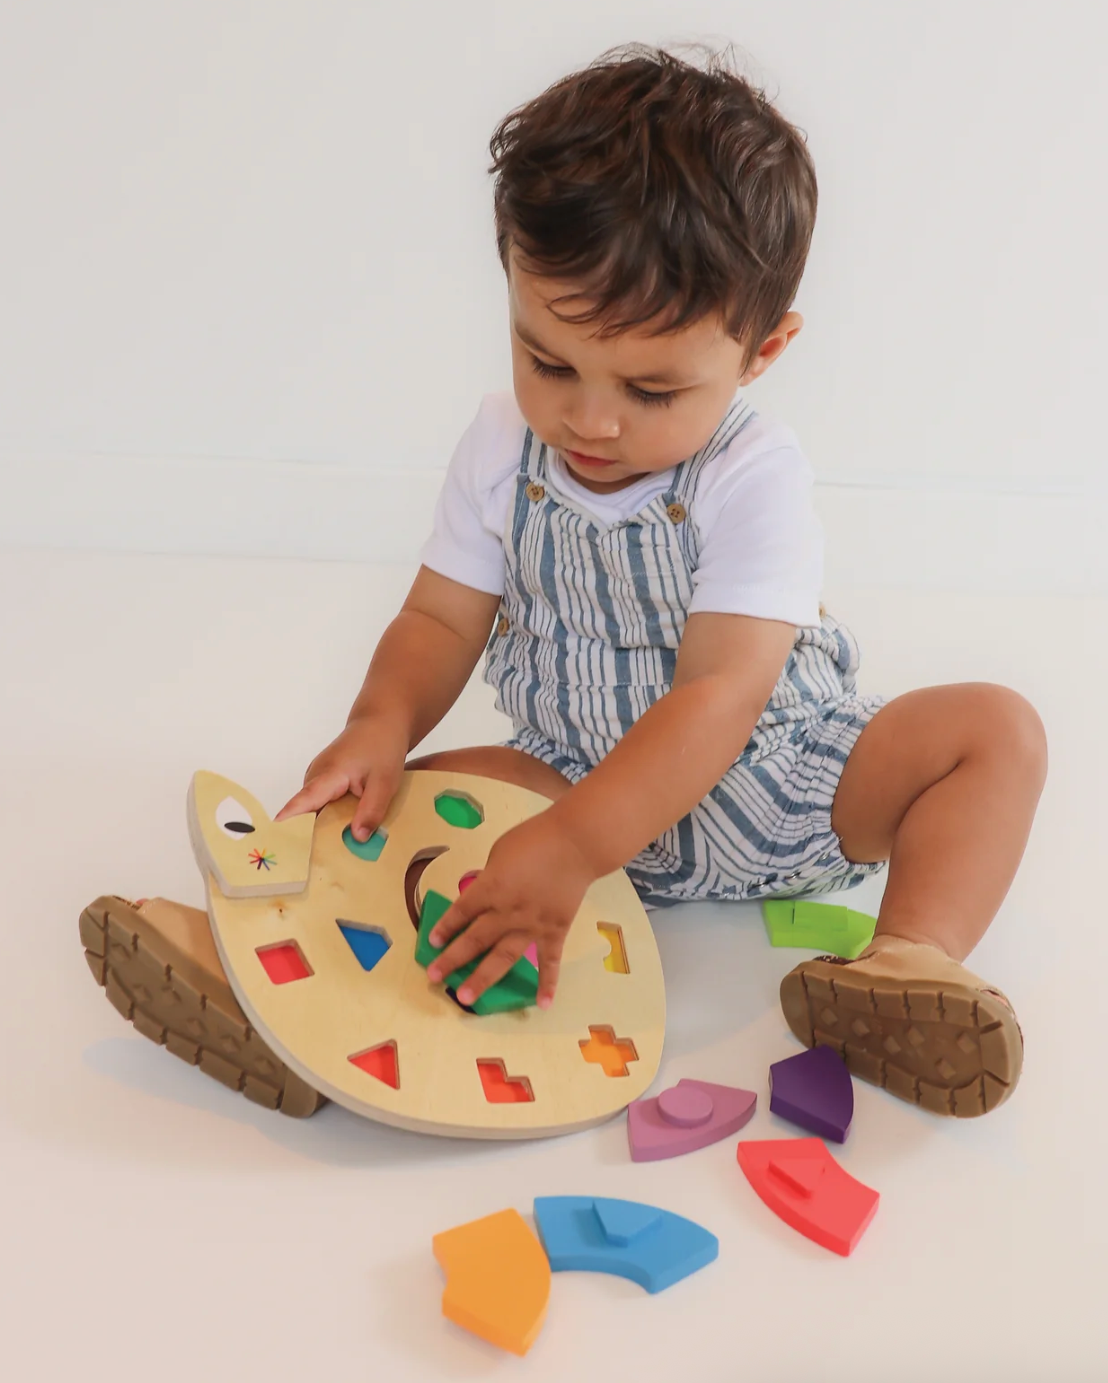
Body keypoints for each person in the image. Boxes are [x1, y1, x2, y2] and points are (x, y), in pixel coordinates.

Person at [81, 42, 1046, 1120]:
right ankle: (262, 981)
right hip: (568, 772)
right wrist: (381, 722)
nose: (589, 420)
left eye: (648, 388)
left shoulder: (752, 475)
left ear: (762, 351)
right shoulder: (502, 445)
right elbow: (440, 615)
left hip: (777, 782)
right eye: (548, 362)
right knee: (374, 813)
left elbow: (718, 697)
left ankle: (905, 968)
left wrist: (576, 847)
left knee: (994, 732)